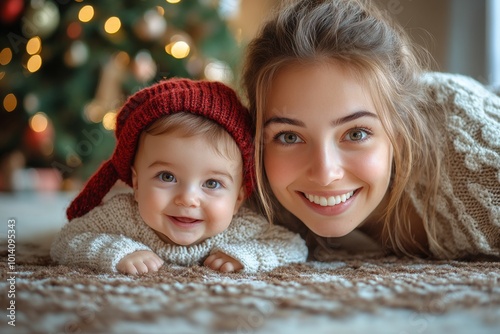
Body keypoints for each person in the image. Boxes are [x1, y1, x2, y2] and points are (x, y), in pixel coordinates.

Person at [241, 0, 500, 260]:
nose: (325, 174)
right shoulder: (250, 183)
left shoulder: (475, 166)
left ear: (399, 135)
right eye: (290, 137)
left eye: (356, 134)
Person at [51, 78, 307, 275]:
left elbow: (293, 246)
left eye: (212, 183)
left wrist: (244, 255)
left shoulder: (240, 228)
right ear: (137, 183)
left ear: (239, 197)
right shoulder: (123, 216)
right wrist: (119, 252)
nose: (188, 199)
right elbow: (67, 239)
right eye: (167, 177)